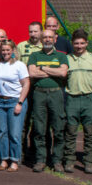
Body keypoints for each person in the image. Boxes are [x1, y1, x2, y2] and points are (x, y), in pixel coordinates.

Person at [27, 29, 69, 172]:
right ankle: (41, 160)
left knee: (58, 128)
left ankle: (57, 160)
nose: (47, 40)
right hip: (39, 94)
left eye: (50, 37)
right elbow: (32, 72)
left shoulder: (62, 56)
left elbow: (63, 73)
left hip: (56, 94)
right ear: (41, 39)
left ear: (55, 39)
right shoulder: (34, 55)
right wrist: (53, 72)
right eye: (45, 37)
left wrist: (43, 68)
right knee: (39, 129)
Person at [63, 29, 92, 174]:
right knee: (70, 132)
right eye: (76, 43)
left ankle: (89, 162)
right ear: (72, 44)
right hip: (72, 99)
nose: (79, 46)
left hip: (88, 99)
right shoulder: (67, 59)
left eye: (82, 43)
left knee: (90, 132)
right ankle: (69, 161)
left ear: (86, 43)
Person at [0, 39, 29, 172]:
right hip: (0, 102)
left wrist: (20, 103)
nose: (5, 52)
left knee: (15, 134)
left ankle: (14, 160)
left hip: (15, 101)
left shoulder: (19, 65)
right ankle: (4, 159)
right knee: (1, 133)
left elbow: (26, 84)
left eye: (8, 50)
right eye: (3, 50)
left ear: (12, 51)